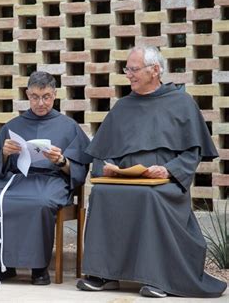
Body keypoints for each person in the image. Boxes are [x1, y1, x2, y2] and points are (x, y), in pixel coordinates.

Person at [77, 46, 227, 298]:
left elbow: (193, 153)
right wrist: (110, 168)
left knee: (150, 197)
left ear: (155, 70)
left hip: (163, 182)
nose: (129, 75)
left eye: (134, 69)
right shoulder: (123, 106)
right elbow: (103, 151)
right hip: (125, 179)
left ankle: (159, 278)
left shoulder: (181, 103)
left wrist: (168, 170)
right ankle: (105, 274)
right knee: (101, 192)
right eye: (127, 69)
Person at [0, 71, 91, 285]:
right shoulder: (13, 125)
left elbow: (79, 169)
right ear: (27, 95)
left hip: (51, 180)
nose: (40, 103)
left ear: (55, 95)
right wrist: (4, 153)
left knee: (39, 204)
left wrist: (61, 161)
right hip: (15, 180)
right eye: (34, 97)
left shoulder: (69, 127)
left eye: (46, 97)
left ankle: (38, 268)